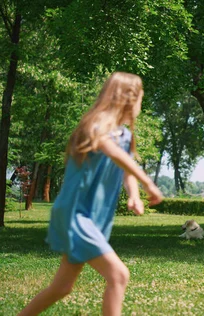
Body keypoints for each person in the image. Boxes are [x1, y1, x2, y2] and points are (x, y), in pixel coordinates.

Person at [19, 72, 163, 316]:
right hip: (75, 214)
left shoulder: (125, 135)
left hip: (93, 218)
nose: (140, 104)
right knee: (119, 275)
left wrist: (134, 194)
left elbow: (124, 165)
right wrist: (148, 182)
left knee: (62, 287)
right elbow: (112, 153)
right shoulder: (94, 126)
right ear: (128, 99)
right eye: (140, 98)